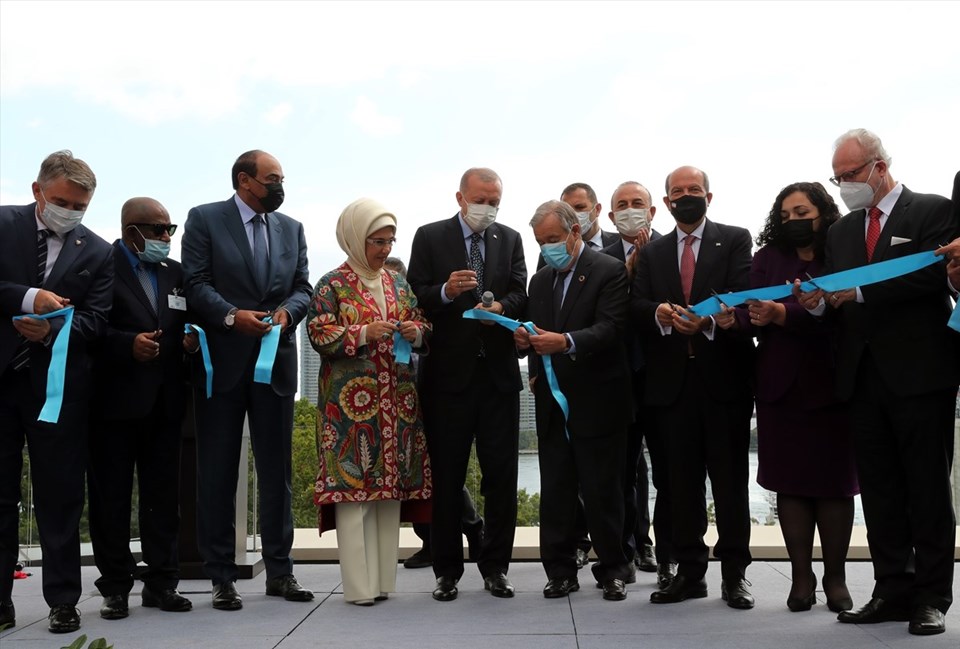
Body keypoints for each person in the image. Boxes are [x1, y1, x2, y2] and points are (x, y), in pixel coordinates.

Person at [796, 130, 958, 635]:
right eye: (838, 177)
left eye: (850, 175)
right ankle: (891, 588)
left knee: (927, 489)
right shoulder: (842, 232)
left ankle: (932, 596)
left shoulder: (932, 211)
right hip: (861, 377)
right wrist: (819, 303)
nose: (844, 184)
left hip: (921, 373)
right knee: (881, 491)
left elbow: (936, 277)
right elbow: (836, 296)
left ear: (880, 167)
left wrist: (859, 295)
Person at [181, 149, 313, 610]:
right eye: (272, 178)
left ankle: (281, 571)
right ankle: (221, 576)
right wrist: (230, 316)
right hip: (222, 361)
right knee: (216, 471)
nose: (280, 186)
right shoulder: (204, 219)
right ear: (244, 181)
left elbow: (303, 288)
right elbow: (195, 283)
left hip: (275, 363)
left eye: (282, 178)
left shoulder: (291, 228)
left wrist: (286, 313)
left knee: (278, 472)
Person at [716, 182, 857, 612]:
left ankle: (835, 576)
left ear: (823, 213)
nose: (794, 221)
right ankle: (801, 577)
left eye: (803, 212)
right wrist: (733, 320)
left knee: (834, 486)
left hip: (835, 384)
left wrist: (786, 313)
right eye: (787, 215)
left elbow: (848, 311)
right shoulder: (766, 258)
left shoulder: (843, 253)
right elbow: (752, 312)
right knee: (790, 485)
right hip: (780, 387)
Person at [631, 165, 756, 609]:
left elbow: (744, 293)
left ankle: (735, 574)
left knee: (729, 483)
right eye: (678, 191)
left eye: (694, 190)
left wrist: (707, 320)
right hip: (670, 386)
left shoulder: (736, 238)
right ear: (665, 202)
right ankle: (689, 572)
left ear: (709, 195)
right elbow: (637, 304)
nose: (686, 196)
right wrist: (659, 315)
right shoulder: (653, 251)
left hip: (725, 381)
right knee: (679, 485)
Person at [0, 150, 113, 633]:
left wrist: (51, 332)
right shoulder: (3, 224)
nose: (70, 212)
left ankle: (64, 600)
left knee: (61, 497)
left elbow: (98, 320)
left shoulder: (99, 251)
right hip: (2, 379)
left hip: (59, 392)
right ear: (37, 191)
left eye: (81, 206)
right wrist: (30, 298)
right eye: (63, 201)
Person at [407, 167, 528, 602]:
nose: (488, 208)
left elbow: (520, 293)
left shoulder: (510, 238)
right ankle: (446, 571)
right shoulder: (429, 235)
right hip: (447, 379)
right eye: (481, 199)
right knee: (446, 477)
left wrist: (495, 304)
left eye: (495, 201)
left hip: (497, 377)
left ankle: (496, 568)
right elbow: (415, 294)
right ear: (460, 197)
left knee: (501, 477)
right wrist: (443, 290)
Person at [307, 199, 432, 605]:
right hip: (350, 407)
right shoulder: (332, 284)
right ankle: (359, 589)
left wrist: (414, 331)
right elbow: (319, 335)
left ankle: (382, 583)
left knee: (388, 495)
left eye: (390, 241)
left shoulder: (398, 282)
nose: (384, 249)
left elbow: (422, 321)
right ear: (355, 239)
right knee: (354, 494)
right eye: (377, 241)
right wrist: (363, 333)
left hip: (397, 401)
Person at [515, 200, 633, 601]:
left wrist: (565, 343)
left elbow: (611, 329)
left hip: (598, 401)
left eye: (552, 239)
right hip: (551, 403)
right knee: (558, 493)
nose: (547, 247)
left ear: (575, 232)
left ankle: (613, 569)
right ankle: (560, 570)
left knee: (603, 492)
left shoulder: (608, 270)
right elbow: (537, 331)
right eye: (540, 241)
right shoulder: (541, 280)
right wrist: (527, 346)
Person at [87, 198, 195, 621]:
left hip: (165, 401)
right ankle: (115, 587)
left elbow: (186, 319)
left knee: (163, 498)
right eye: (159, 230)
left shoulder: (175, 272)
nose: (167, 238)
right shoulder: (99, 264)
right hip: (111, 403)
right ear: (132, 231)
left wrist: (189, 339)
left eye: (171, 230)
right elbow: (89, 324)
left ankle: (162, 583)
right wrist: (125, 344)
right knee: (110, 498)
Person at [382, 257, 483, 572]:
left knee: (434, 470)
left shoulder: (418, 309)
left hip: (420, 392)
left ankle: (472, 528)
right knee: (415, 472)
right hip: (388, 396)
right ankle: (430, 541)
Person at [601, 181, 664, 582]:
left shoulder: (671, 249)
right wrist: (624, 275)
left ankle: (658, 550)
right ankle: (621, 554)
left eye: (637, 203)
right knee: (620, 471)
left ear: (652, 210)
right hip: (616, 378)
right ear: (610, 217)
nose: (629, 210)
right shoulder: (600, 259)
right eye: (621, 205)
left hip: (664, 376)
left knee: (668, 471)